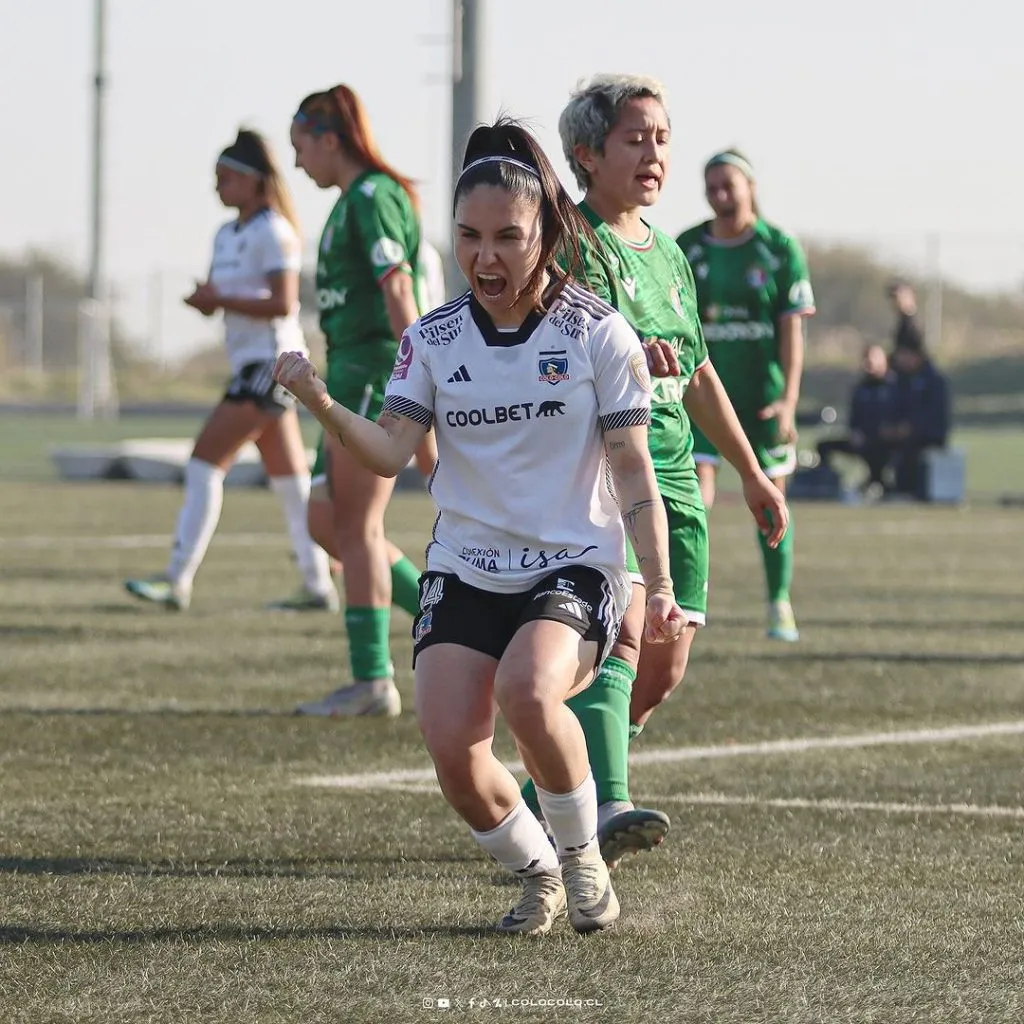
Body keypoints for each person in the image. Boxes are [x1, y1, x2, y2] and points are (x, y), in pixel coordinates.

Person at [275, 118, 687, 936]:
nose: (485, 256)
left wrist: (660, 583)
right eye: (469, 236)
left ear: (544, 238)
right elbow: (391, 450)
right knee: (453, 749)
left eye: (508, 236)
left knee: (528, 692)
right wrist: (318, 399)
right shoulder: (432, 339)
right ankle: (538, 872)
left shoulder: (596, 333)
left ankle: (582, 858)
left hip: (574, 565)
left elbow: (635, 470)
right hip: (466, 567)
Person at [520, 75, 789, 868]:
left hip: (678, 477)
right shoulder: (572, 241)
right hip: (606, 471)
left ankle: (548, 788)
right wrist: (623, 358)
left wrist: (750, 472)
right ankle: (607, 805)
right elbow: (556, 353)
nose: (654, 154)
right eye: (635, 139)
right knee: (628, 630)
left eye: (662, 138)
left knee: (664, 670)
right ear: (586, 154)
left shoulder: (670, 251)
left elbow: (699, 375)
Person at [124, 129, 336, 613]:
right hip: (252, 364)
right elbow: (232, 298)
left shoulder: (274, 231)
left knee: (203, 462)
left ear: (253, 182)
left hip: (272, 364)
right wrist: (208, 300)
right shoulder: (226, 234)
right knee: (289, 483)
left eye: (226, 178)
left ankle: (177, 579)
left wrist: (219, 299)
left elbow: (283, 302)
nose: (217, 187)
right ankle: (318, 584)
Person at [288, 84, 432, 718]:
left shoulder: (374, 195)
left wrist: (420, 371)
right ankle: (445, 607)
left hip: (377, 367)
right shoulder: (349, 202)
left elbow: (398, 289)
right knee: (327, 524)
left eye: (301, 148)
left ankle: (373, 681)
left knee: (357, 527)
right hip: (345, 374)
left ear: (328, 140)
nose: (297, 164)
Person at [676, 150, 815, 642]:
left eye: (727, 184)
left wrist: (789, 401)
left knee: (771, 500)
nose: (718, 195)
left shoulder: (778, 248)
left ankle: (779, 601)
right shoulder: (689, 247)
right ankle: (686, 594)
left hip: (762, 398)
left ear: (749, 186)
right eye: (710, 185)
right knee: (695, 496)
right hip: (701, 396)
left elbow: (791, 333)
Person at [817, 343, 896, 493]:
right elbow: (855, 417)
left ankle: (878, 484)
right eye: (866, 358)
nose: (869, 362)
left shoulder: (895, 386)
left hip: (886, 442)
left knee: (878, 453)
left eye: (873, 358)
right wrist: (854, 432)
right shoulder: (861, 388)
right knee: (823, 446)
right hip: (862, 439)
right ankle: (829, 485)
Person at [885, 336, 951, 496]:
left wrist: (911, 428)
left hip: (928, 436)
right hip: (904, 435)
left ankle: (909, 489)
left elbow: (935, 415)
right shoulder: (901, 380)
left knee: (910, 453)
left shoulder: (933, 381)